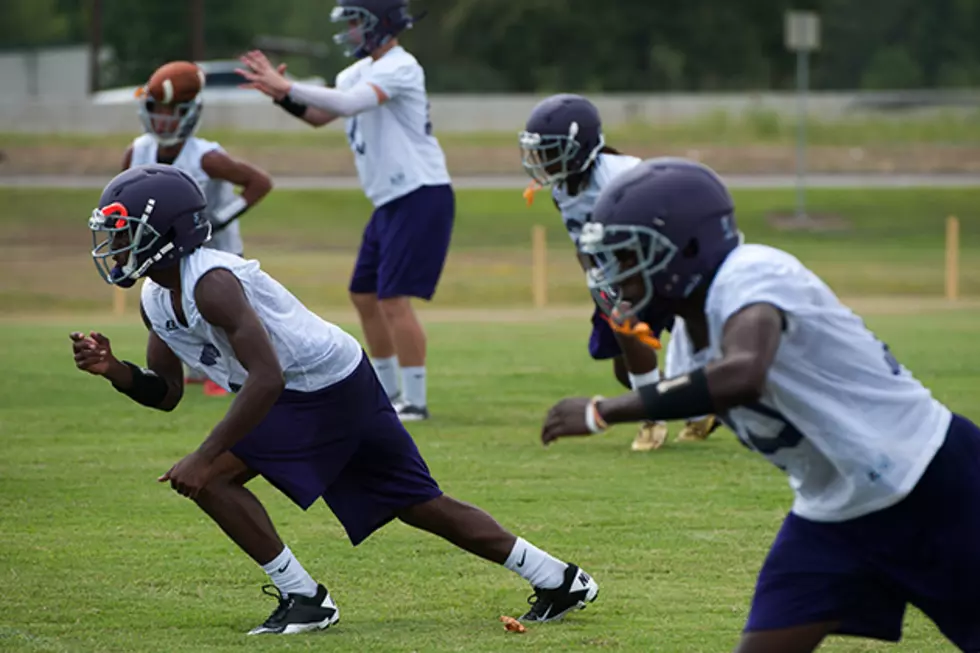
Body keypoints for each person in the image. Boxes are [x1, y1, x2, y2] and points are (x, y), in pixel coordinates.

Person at [72, 164, 597, 635]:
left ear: (166, 234)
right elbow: (165, 394)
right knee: (418, 505)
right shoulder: (156, 298)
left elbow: (267, 378)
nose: (115, 246)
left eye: (126, 233)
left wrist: (205, 455)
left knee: (210, 478)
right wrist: (115, 370)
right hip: (335, 377)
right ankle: (560, 578)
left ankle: (305, 599)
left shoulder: (211, 284)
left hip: (315, 388)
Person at [540, 157, 980, 652]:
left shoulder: (753, 273)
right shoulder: (687, 333)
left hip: (928, 482)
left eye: (629, 258)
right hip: (832, 509)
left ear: (686, 249)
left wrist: (604, 412)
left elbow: (744, 374)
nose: (618, 277)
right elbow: (685, 390)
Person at [236, 0, 454, 422]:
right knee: (364, 294)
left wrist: (289, 87)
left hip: (419, 191)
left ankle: (415, 400)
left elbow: (351, 104)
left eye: (357, 22)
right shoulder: (353, 72)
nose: (351, 31)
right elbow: (321, 115)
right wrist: (284, 98)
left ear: (382, 24)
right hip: (390, 199)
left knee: (393, 299)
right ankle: (388, 393)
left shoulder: (401, 65)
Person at [519, 94, 716, 451]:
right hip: (617, 272)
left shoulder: (624, 175)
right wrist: (597, 281)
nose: (542, 160)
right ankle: (694, 402)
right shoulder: (564, 188)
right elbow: (584, 242)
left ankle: (653, 419)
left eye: (550, 150)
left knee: (646, 333)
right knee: (624, 371)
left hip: (654, 267)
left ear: (578, 147)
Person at [125, 59, 273, 397]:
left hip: (215, 252)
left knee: (218, 314)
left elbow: (259, 182)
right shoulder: (137, 151)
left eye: (172, 111)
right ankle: (193, 368)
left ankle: (228, 371)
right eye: (157, 110)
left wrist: (220, 218)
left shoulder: (206, 156)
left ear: (189, 113)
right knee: (171, 310)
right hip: (167, 254)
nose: (163, 119)